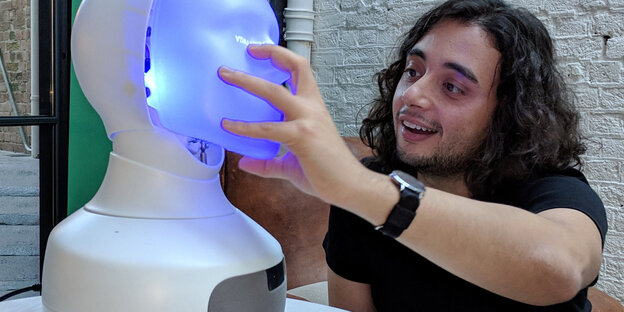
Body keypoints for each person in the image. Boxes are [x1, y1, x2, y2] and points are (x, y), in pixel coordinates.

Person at [218, 0, 608, 310]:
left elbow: (559, 268)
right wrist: (359, 191)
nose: (413, 95)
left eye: (453, 87)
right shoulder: (365, 192)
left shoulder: (555, 191)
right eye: (413, 70)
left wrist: (360, 188)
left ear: (509, 113)